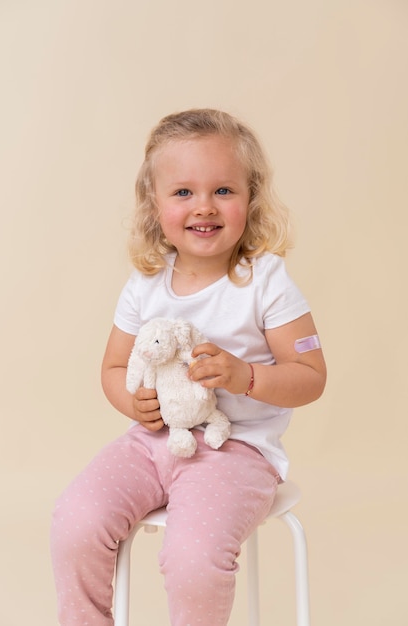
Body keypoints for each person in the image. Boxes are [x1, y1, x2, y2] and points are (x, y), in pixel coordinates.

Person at [50, 108, 327, 626]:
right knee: (75, 522)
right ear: (154, 206)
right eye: (183, 193)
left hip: (236, 452)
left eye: (224, 190)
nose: (204, 206)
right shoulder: (146, 283)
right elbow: (113, 367)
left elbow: (310, 375)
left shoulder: (264, 281)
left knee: (193, 558)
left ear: (251, 199)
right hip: (151, 442)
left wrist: (247, 376)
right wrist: (133, 402)